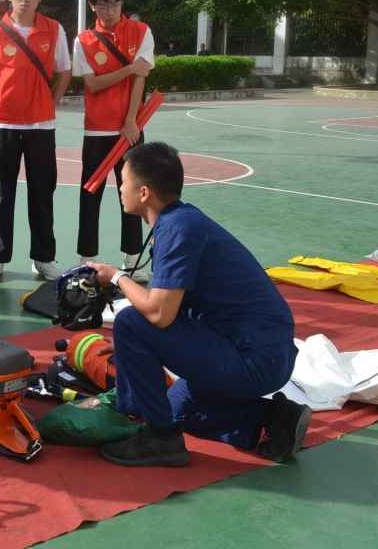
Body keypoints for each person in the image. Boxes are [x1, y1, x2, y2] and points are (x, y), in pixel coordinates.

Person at [89, 142, 311, 467]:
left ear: (145, 192)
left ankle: (161, 440)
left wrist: (116, 277)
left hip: (253, 359)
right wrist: (129, 352)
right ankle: (274, 418)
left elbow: (159, 314)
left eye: (123, 181)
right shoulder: (180, 222)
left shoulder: (179, 229)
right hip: (255, 350)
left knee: (130, 323)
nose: (120, 188)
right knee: (175, 408)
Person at [0, 0, 71, 284]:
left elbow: (64, 72)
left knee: (42, 193)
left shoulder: (55, 30)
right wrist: (1, 105)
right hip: (4, 127)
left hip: (42, 128)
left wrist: (48, 102)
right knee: (1, 192)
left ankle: (43, 259)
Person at [73, 0, 155, 281]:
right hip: (96, 130)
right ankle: (87, 258)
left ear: (122, 2)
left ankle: (132, 258)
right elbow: (93, 85)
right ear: (92, 6)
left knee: (135, 195)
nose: (109, 10)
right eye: (102, 5)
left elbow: (140, 78)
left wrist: (131, 121)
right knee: (89, 195)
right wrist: (130, 68)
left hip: (130, 130)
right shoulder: (83, 40)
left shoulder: (142, 31)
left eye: (114, 3)